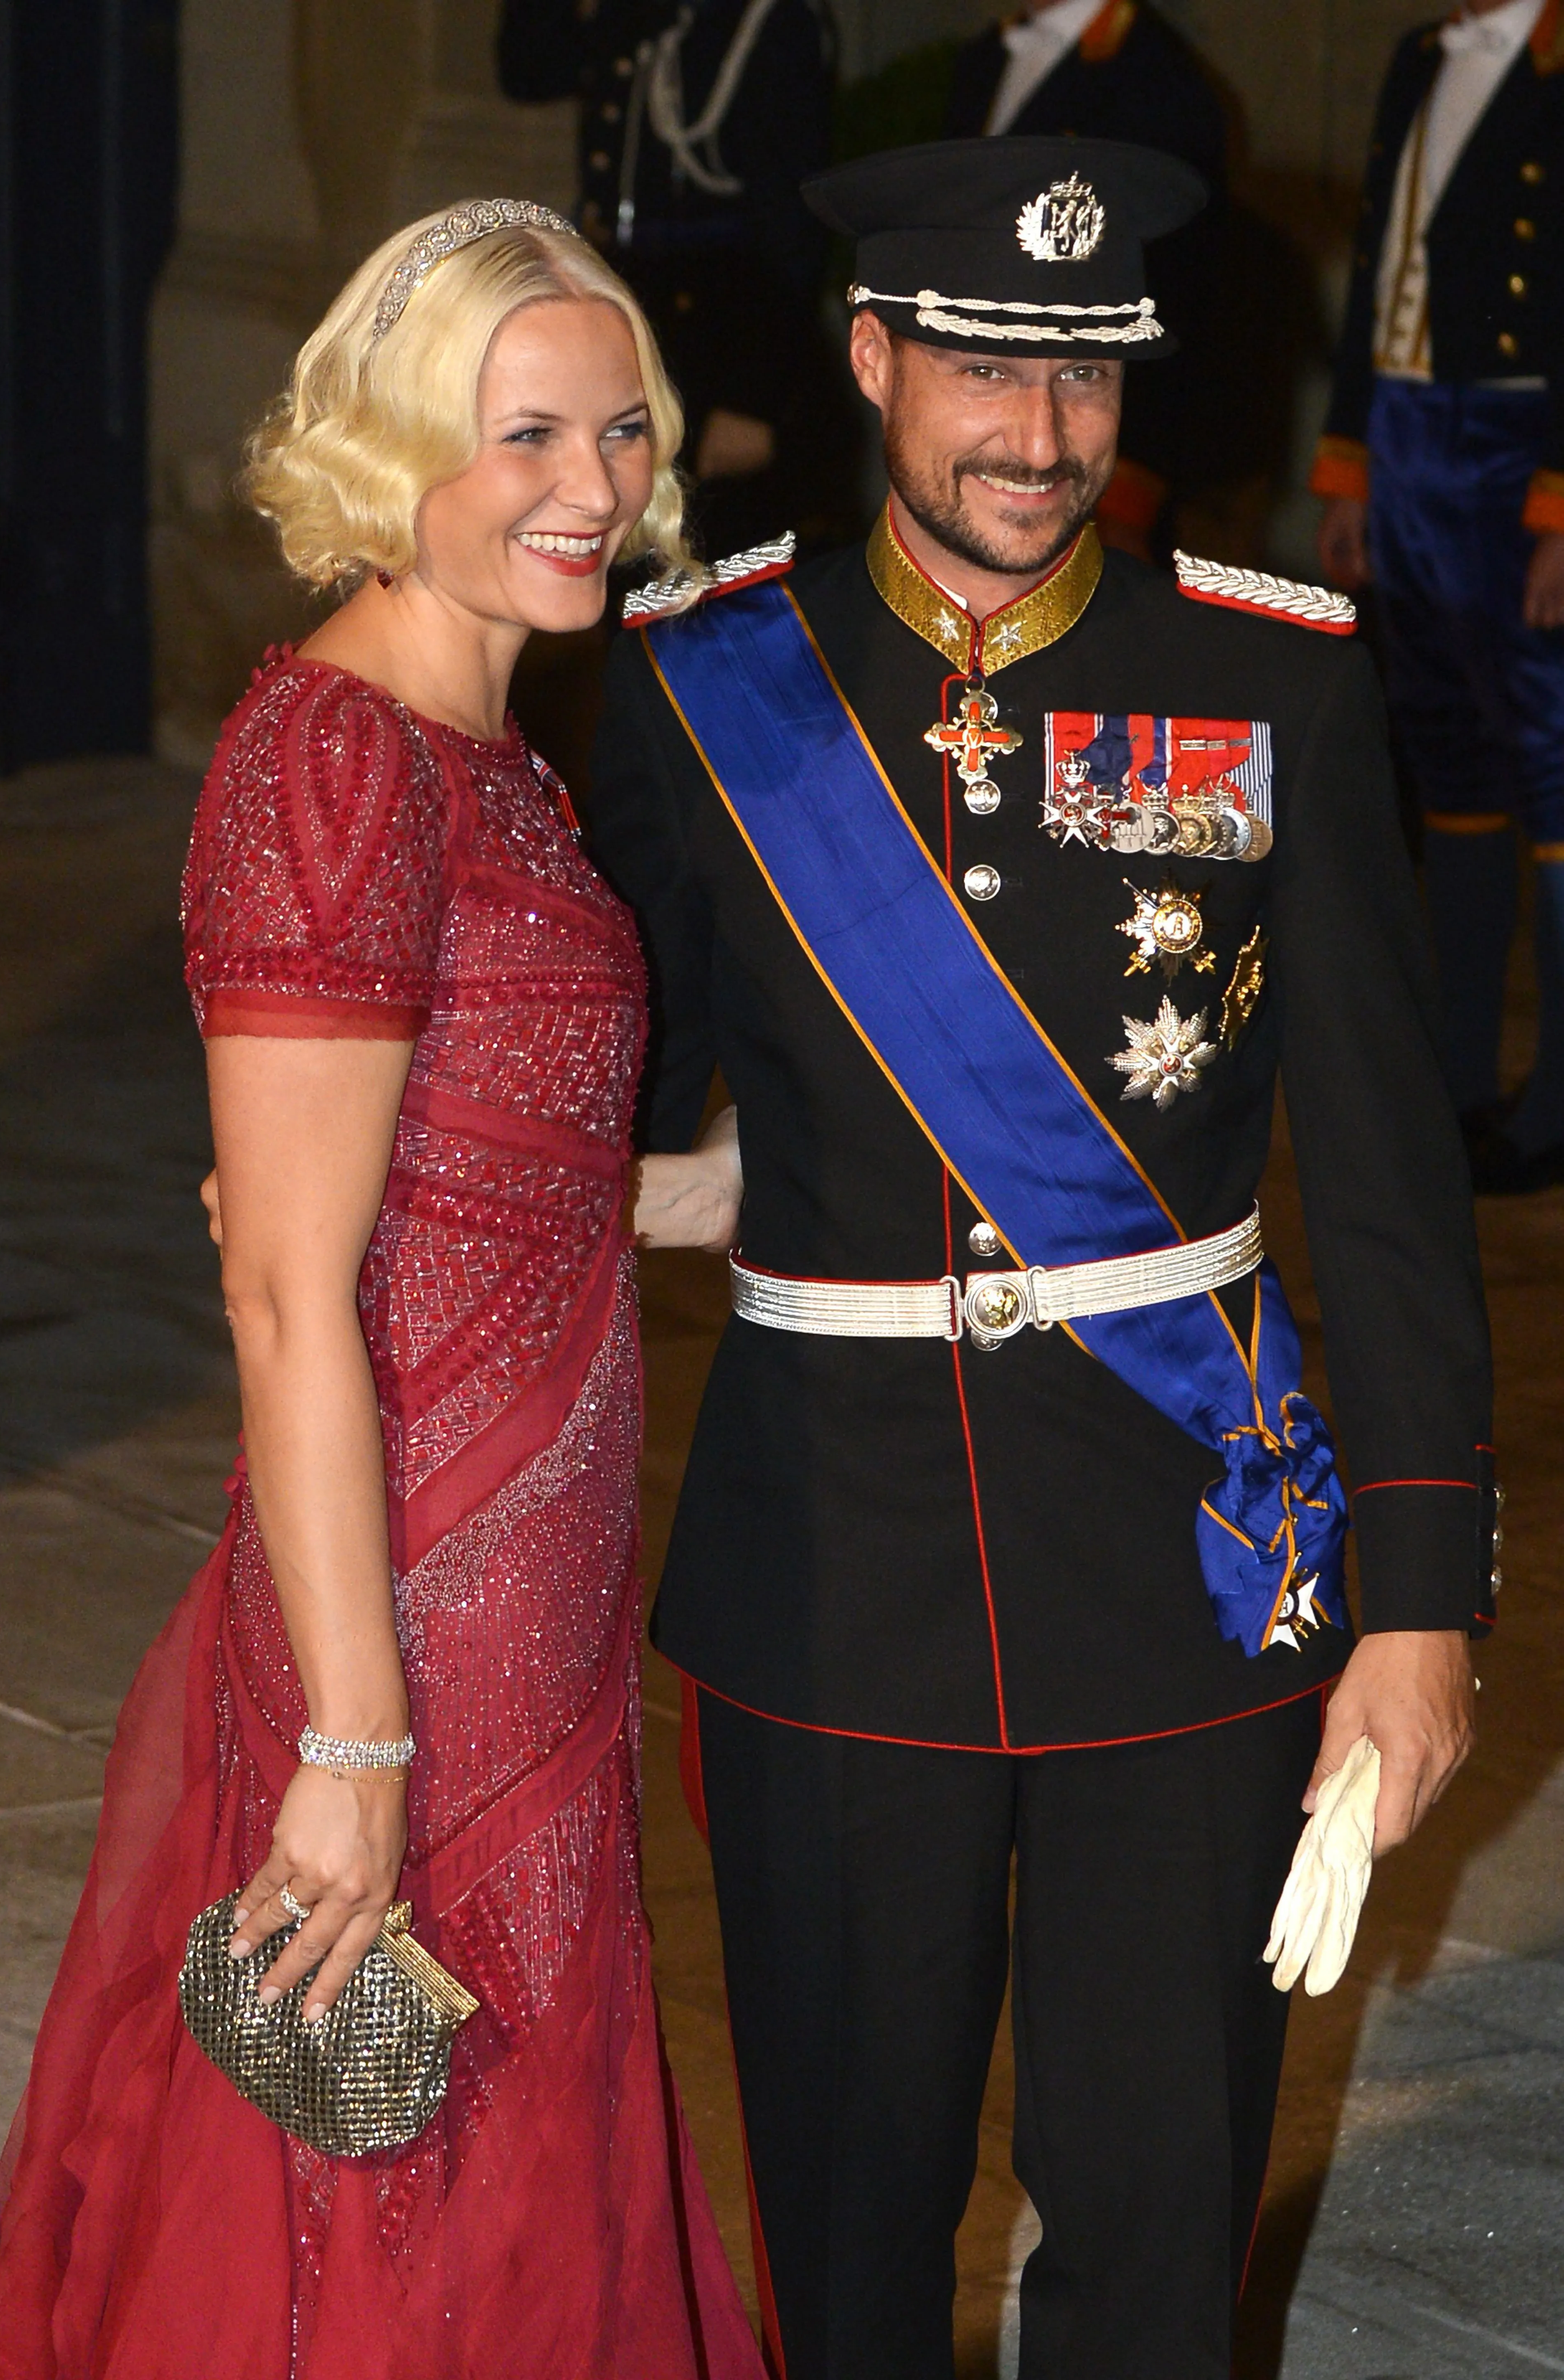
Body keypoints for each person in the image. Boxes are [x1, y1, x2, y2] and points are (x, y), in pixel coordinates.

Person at [585, 138, 1498, 2380]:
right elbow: (594, 1078)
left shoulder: (1272, 682)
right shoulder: (713, 688)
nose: (1041, 433)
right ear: (875, 356)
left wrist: (1419, 1600)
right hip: (828, 1585)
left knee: (1165, 2229)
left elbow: (1386, 1184)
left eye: (1086, 374)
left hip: (1187, 1584)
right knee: (847, 2230)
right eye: (986, 364)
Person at [0, 198, 759, 2380]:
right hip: (413, 1581)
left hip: (534, 1561)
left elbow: (480, 1161)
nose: (590, 486)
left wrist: (726, 1195)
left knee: (490, 2100)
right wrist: (356, 1731)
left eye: (620, 429)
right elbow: (284, 1295)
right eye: (521, 434)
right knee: (392, 2139)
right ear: (394, 443)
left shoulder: (491, 742)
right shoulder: (341, 756)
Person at [1314, 0, 1564, 1194]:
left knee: (1556, 764)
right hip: (1410, 438)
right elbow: (1379, 273)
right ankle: (1457, 1083)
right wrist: (1351, 461)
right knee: (1448, 761)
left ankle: (1558, 1101)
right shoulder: (1422, 56)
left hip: (1524, 446)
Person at [497, 0, 848, 555]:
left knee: (708, 561)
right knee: (625, 558)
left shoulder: (768, 20)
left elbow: (792, 226)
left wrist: (753, 398)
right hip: (626, 313)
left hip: (719, 333)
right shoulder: (635, 14)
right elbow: (529, 71)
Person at [944, 0, 1229, 557]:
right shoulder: (984, 58)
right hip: (977, 427)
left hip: (1078, 453)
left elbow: (1175, 297)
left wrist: (1133, 483)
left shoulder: (1159, 81)